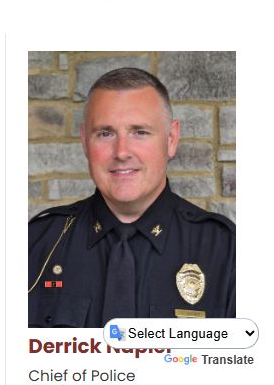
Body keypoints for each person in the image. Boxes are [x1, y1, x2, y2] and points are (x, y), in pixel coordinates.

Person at [28, 67, 235, 327]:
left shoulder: (226, 251)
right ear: (84, 142)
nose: (122, 152)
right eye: (105, 133)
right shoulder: (36, 243)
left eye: (139, 132)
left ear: (171, 139)